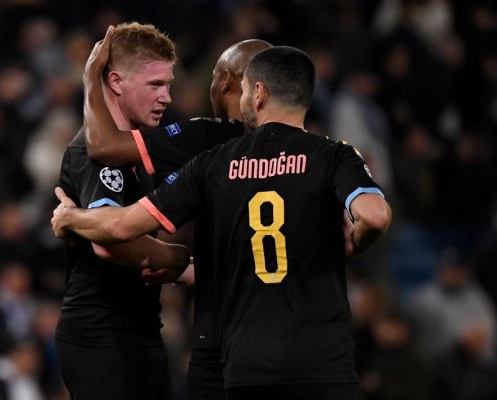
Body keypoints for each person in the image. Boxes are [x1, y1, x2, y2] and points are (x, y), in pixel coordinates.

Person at [52, 45, 392, 399]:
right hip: (323, 358)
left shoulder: (213, 155)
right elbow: (374, 215)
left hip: (236, 353)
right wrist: (356, 241)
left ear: (255, 92)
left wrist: (72, 216)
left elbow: (118, 223)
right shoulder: (332, 155)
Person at [81, 26, 271, 399]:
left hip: (225, 336)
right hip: (298, 337)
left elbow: (102, 145)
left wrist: (90, 78)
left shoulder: (208, 140)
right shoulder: (314, 152)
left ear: (226, 80)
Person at [55, 23, 190, 400]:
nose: (166, 97)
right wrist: (175, 258)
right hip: (102, 335)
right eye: (154, 85)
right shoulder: (94, 154)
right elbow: (109, 243)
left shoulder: (133, 149)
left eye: (168, 85)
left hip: (138, 330)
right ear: (115, 82)